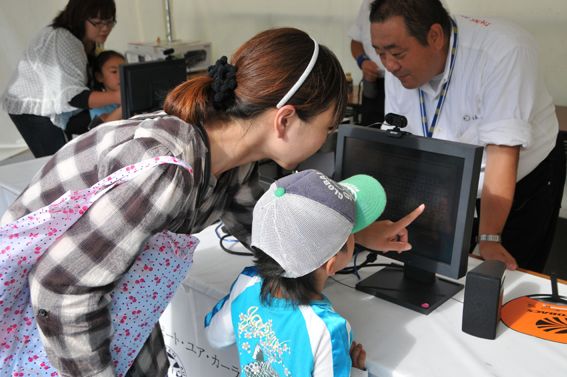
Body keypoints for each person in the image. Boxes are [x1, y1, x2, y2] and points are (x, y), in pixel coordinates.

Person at [1, 27, 423, 377]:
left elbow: (277, 232)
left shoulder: (230, 164)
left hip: (120, 310)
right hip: (49, 335)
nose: (326, 139)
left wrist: (356, 233)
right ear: (286, 119)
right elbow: (62, 290)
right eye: (328, 127)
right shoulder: (167, 171)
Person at [369, 0, 566, 272]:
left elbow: (502, 153)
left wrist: (489, 238)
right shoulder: (398, 63)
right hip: (450, 177)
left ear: (435, 37)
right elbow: (399, 140)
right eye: (380, 53)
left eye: (397, 54)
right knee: (442, 267)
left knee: (504, 269)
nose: (389, 65)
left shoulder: (504, 52)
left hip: (522, 177)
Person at [205, 169, 391, 376]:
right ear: (331, 263)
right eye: (351, 232)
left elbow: (215, 335)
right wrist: (355, 371)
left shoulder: (246, 283)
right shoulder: (328, 330)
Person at [1, 0, 120, 157]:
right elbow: (74, 97)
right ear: (79, 18)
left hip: (55, 106)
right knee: (54, 163)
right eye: (98, 23)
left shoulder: (88, 40)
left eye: (109, 22)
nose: (105, 29)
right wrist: (119, 96)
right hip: (31, 107)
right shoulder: (62, 39)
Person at [349, 0, 386, 126]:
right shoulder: (368, 4)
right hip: (374, 83)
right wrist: (363, 61)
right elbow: (356, 41)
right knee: (370, 131)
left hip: (406, 84)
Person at [88, 50, 126, 130]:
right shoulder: (98, 104)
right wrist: (126, 104)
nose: (121, 75)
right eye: (114, 71)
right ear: (99, 77)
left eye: (124, 70)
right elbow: (104, 128)